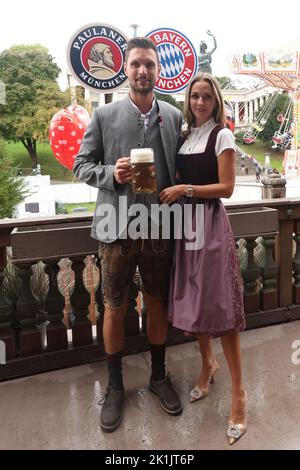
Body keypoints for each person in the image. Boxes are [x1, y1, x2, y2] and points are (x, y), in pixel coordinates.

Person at [73, 37, 183, 433]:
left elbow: (179, 171)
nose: (142, 71)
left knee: (156, 302)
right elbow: (80, 165)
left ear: (158, 70)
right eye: (136, 64)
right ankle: (116, 387)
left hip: (158, 228)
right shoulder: (103, 117)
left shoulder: (172, 116)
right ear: (126, 70)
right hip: (115, 228)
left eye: (149, 65)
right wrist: (109, 174)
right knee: (113, 306)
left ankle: (158, 376)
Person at [160, 73, 247, 445]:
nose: (199, 103)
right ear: (187, 99)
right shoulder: (184, 135)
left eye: (206, 97)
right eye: (194, 96)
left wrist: (185, 188)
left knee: (221, 308)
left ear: (216, 101)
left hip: (210, 224)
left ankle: (239, 393)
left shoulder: (221, 134)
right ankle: (207, 365)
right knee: (195, 303)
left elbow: (227, 187)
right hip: (185, 227)